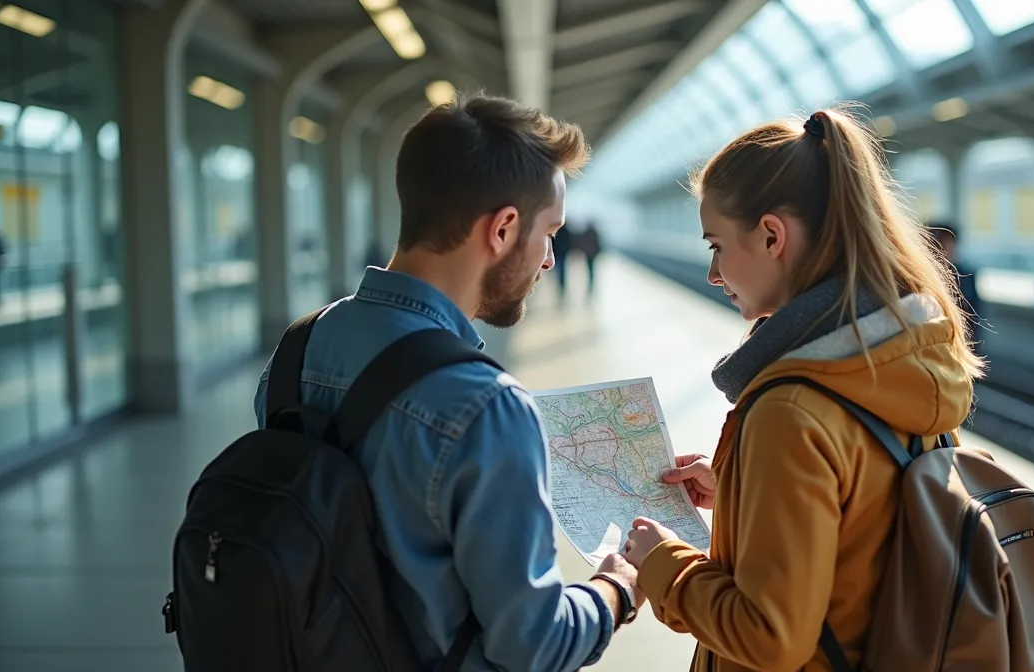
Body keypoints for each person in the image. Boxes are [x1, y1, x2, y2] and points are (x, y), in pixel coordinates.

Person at [252, 94, 641, 671]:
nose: (550, 260)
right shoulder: (486, 406)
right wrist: (617, 588)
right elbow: (532, 645)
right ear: (504, 228)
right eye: (549, 233)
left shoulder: (295, 349)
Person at [620, 108, 980, 671]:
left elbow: (771, 637)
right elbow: (873, 519)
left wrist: (662, 565)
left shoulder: (790, 409)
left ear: (771, 236)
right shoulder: (904, 361)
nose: (714, 274)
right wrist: (743, 493)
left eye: (716, 245)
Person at [929, 221, 983, 354]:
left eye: (947, 243)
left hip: (959, 344)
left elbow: (974, 315)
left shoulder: (966, 274)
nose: (943, 249)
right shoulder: (923, 275)